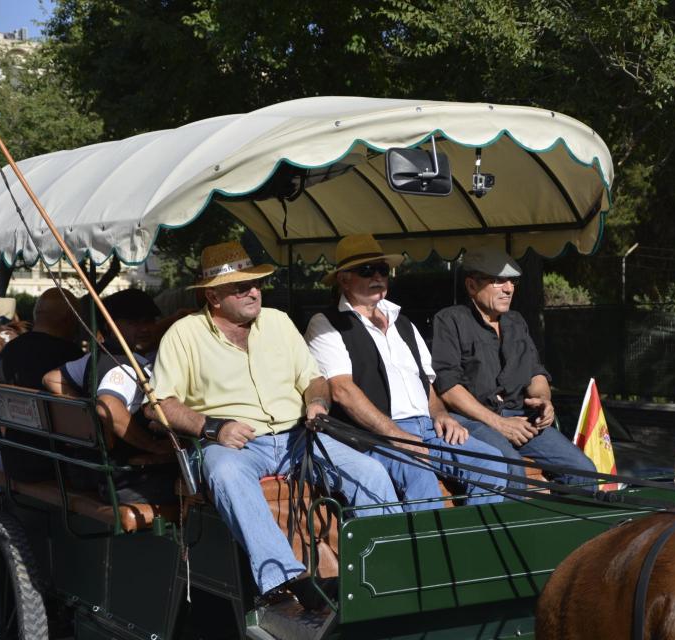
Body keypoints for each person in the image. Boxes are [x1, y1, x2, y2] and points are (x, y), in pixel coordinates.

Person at [145, 240, 401, 609]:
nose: (254, 291)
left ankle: (387, 568)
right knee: (226, 473)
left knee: (371, 471)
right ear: (214, 297)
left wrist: (317, 402)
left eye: (257, 284)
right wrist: (212, 427)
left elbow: (313, 379)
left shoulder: (279, 322)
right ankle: (287, 580)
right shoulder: (184, 334)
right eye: (242, 287)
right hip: (235, 444)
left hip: (299, 435)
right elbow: (159, 405)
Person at [305, 234, 508, 511]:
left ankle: (471, 548)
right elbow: (342, 391)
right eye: (367, 270)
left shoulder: (403, 322)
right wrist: (395, 434)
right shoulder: (326, 323)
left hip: (428, 428)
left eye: (382, 270)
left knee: (492, 463)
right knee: (420, 476)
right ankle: (428, 553)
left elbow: (426, 383)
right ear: (344, 279)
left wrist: (441, 415)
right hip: (376, 434)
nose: (377, 276)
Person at [432, 245, 596, 488]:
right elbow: (448, 387)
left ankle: (563, 525)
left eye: (512, 282)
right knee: (512, 471)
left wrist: (544, 401)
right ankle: (514, 526)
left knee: (584, 471)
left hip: (520, 418)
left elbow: (535, 373)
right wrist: (498, 423)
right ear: (471, 285)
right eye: (498, 281)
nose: (508, 289)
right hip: (472, 419)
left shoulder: (516, 322)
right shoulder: (450, 320)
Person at [43, 289, 176, 503]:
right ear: (110, 324)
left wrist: (85, 411)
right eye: (134, 322)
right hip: (124, 477)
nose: (145, 328)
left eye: (149, 321)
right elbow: (108, 406)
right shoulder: (126, 365)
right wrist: (151, 446)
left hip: (86, 470)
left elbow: (52, 378)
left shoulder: (95, 356)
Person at [0, 287, 83, 481]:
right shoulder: (71, 356)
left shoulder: (9, 351)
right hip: (60, 465)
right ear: (69, 318)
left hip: (14, 458)